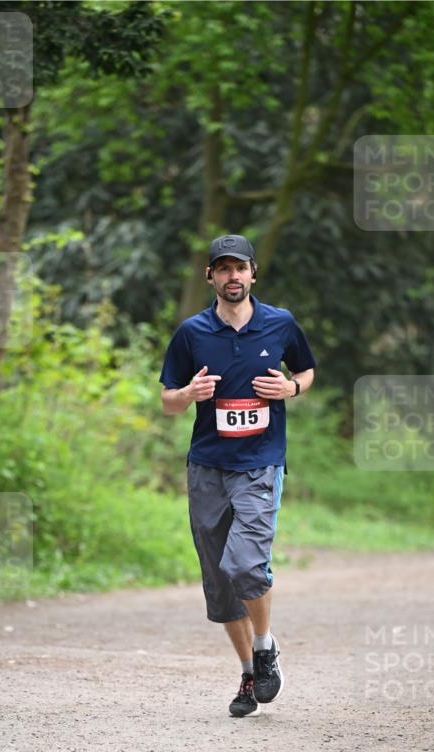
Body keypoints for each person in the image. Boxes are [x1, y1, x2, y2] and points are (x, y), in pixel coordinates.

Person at [159, 234, 316, 718]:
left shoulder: (280, 323)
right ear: (210, 276)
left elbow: (307, 371)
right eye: (222, 269)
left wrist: (290, 387)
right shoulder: (191, 332)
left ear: (252, 275)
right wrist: (188, 393)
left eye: (240, 269)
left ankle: (266, 647)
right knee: (220, 581)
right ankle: (250, 673)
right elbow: (167, 401)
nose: (232, 277)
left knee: (245, 564)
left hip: (260, 463)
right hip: (207, 465)